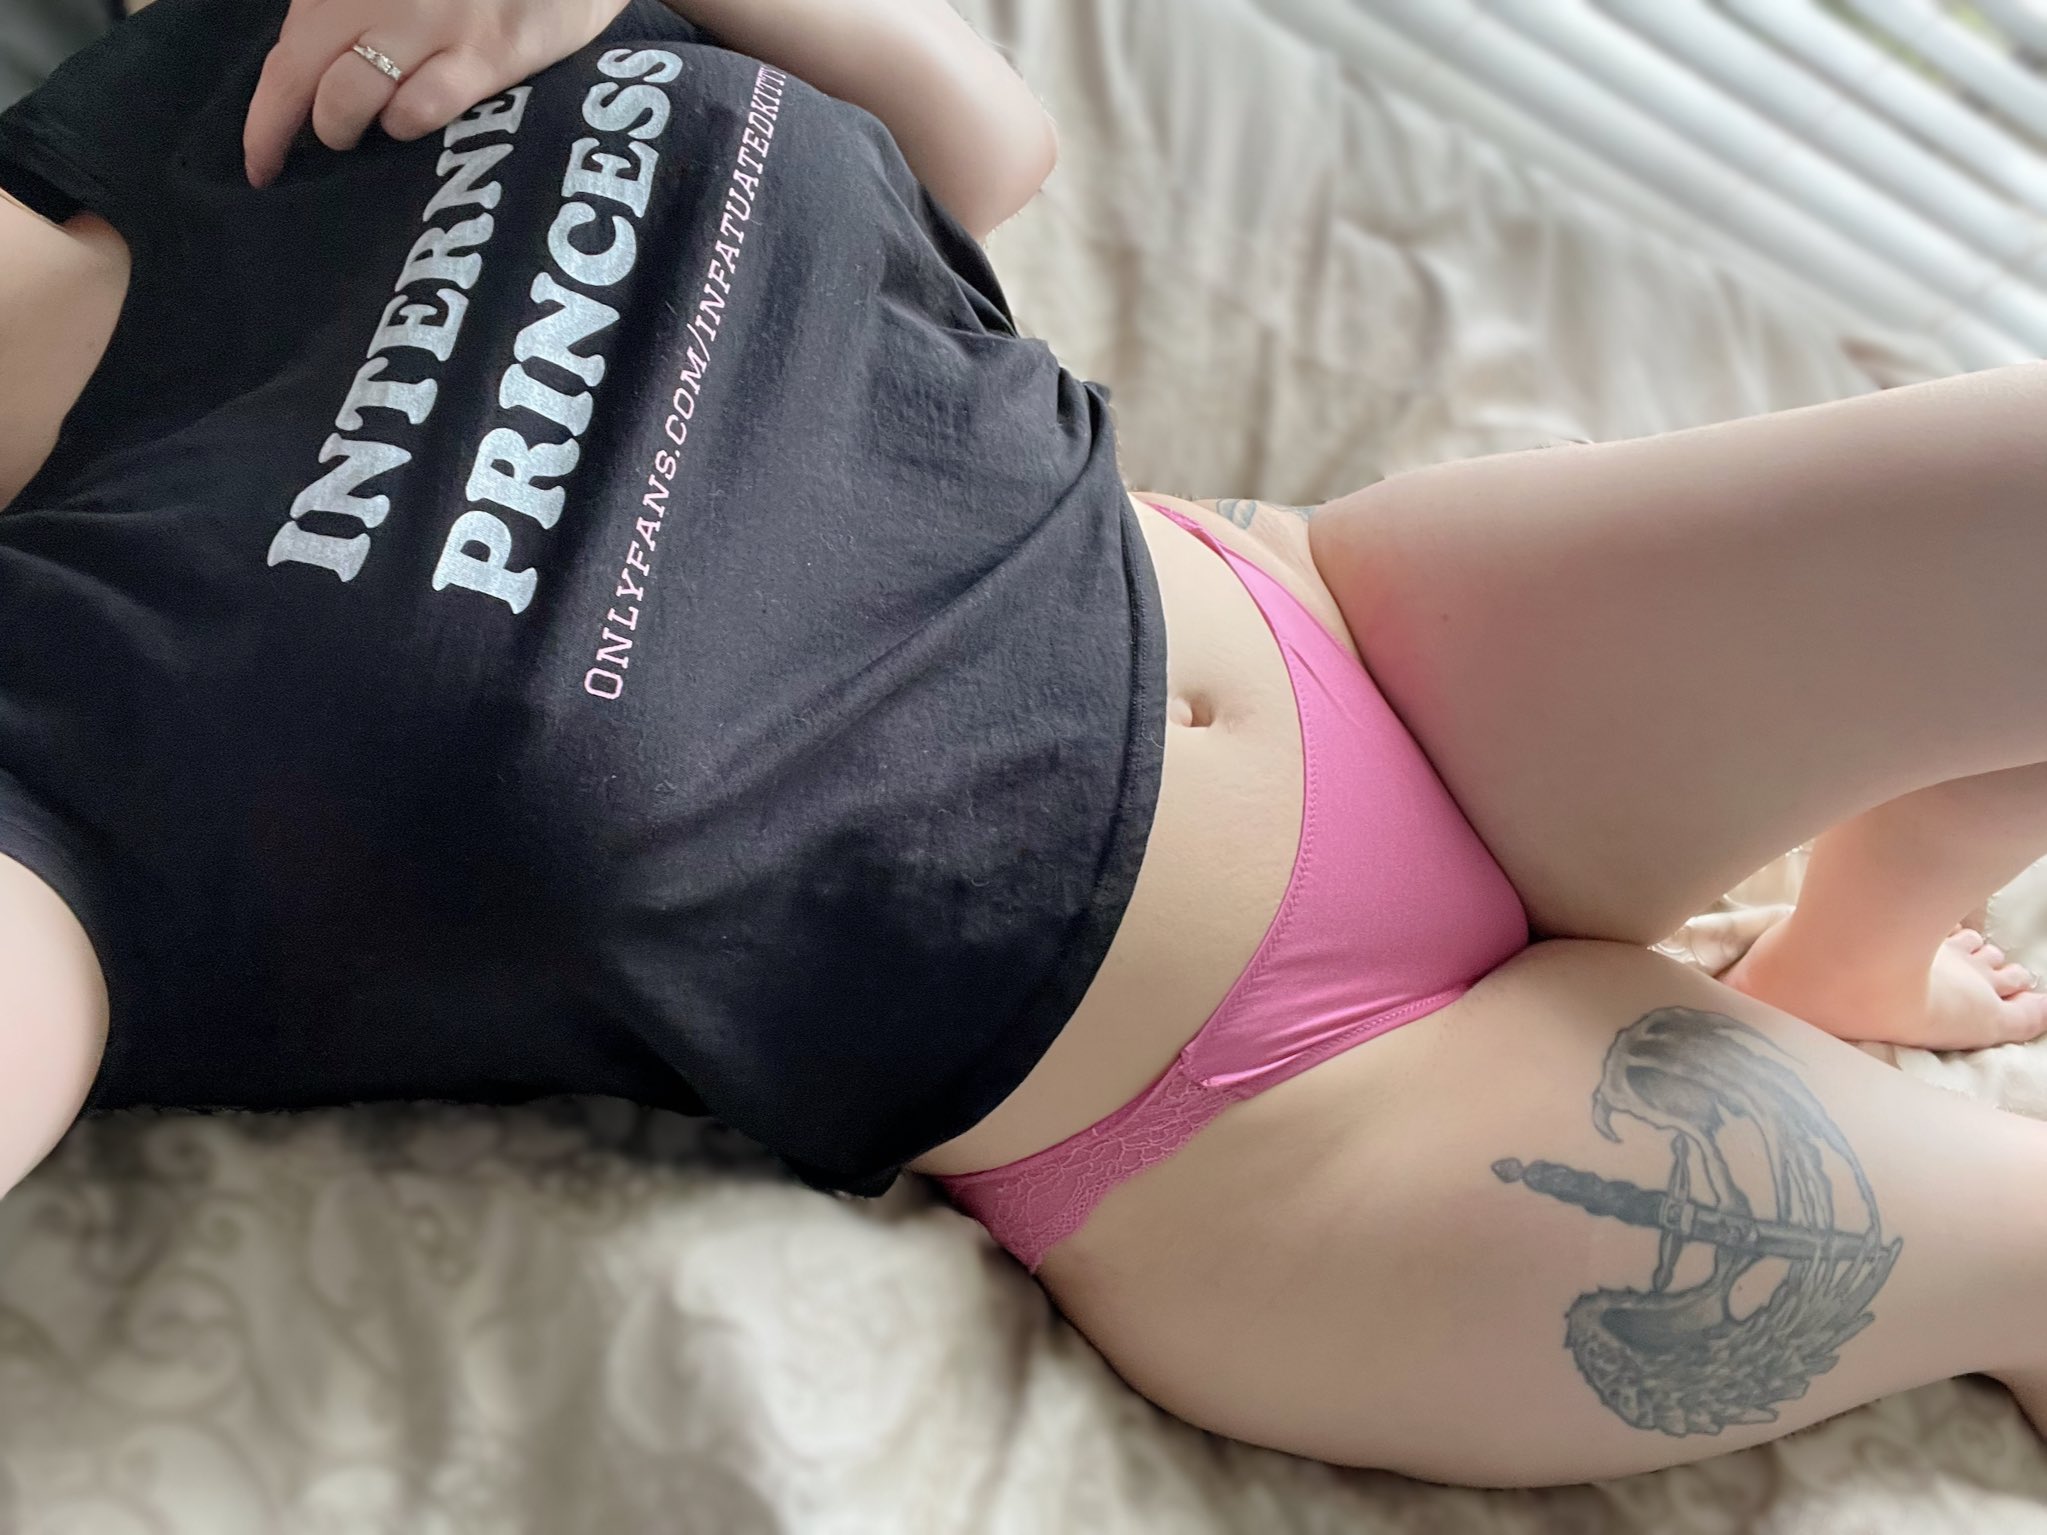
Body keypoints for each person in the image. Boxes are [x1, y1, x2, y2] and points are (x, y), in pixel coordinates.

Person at [3, 0, 2046, 1493]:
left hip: (1366, 634)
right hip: (1261, 1108)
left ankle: (1859, 944)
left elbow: (979, 149)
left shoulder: (269, 65)